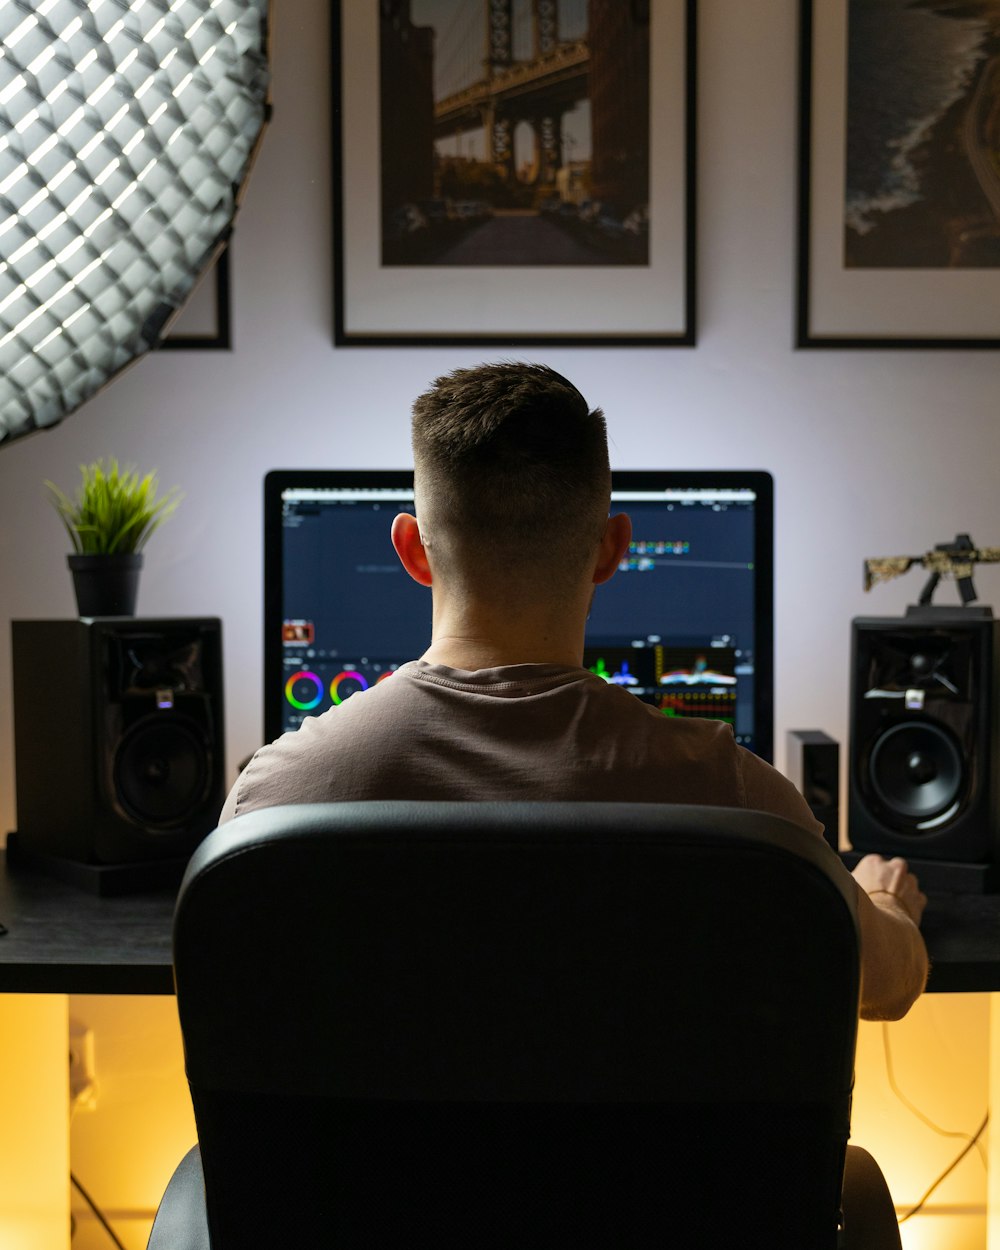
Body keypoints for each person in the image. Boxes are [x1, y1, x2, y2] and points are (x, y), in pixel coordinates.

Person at [220, 360, 928, 1021]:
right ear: (613, 548)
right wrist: (880, 901)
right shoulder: (737, 803)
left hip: (360, 1161)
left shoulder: (275, 804)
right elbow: (887, 987)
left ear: (411, 550)